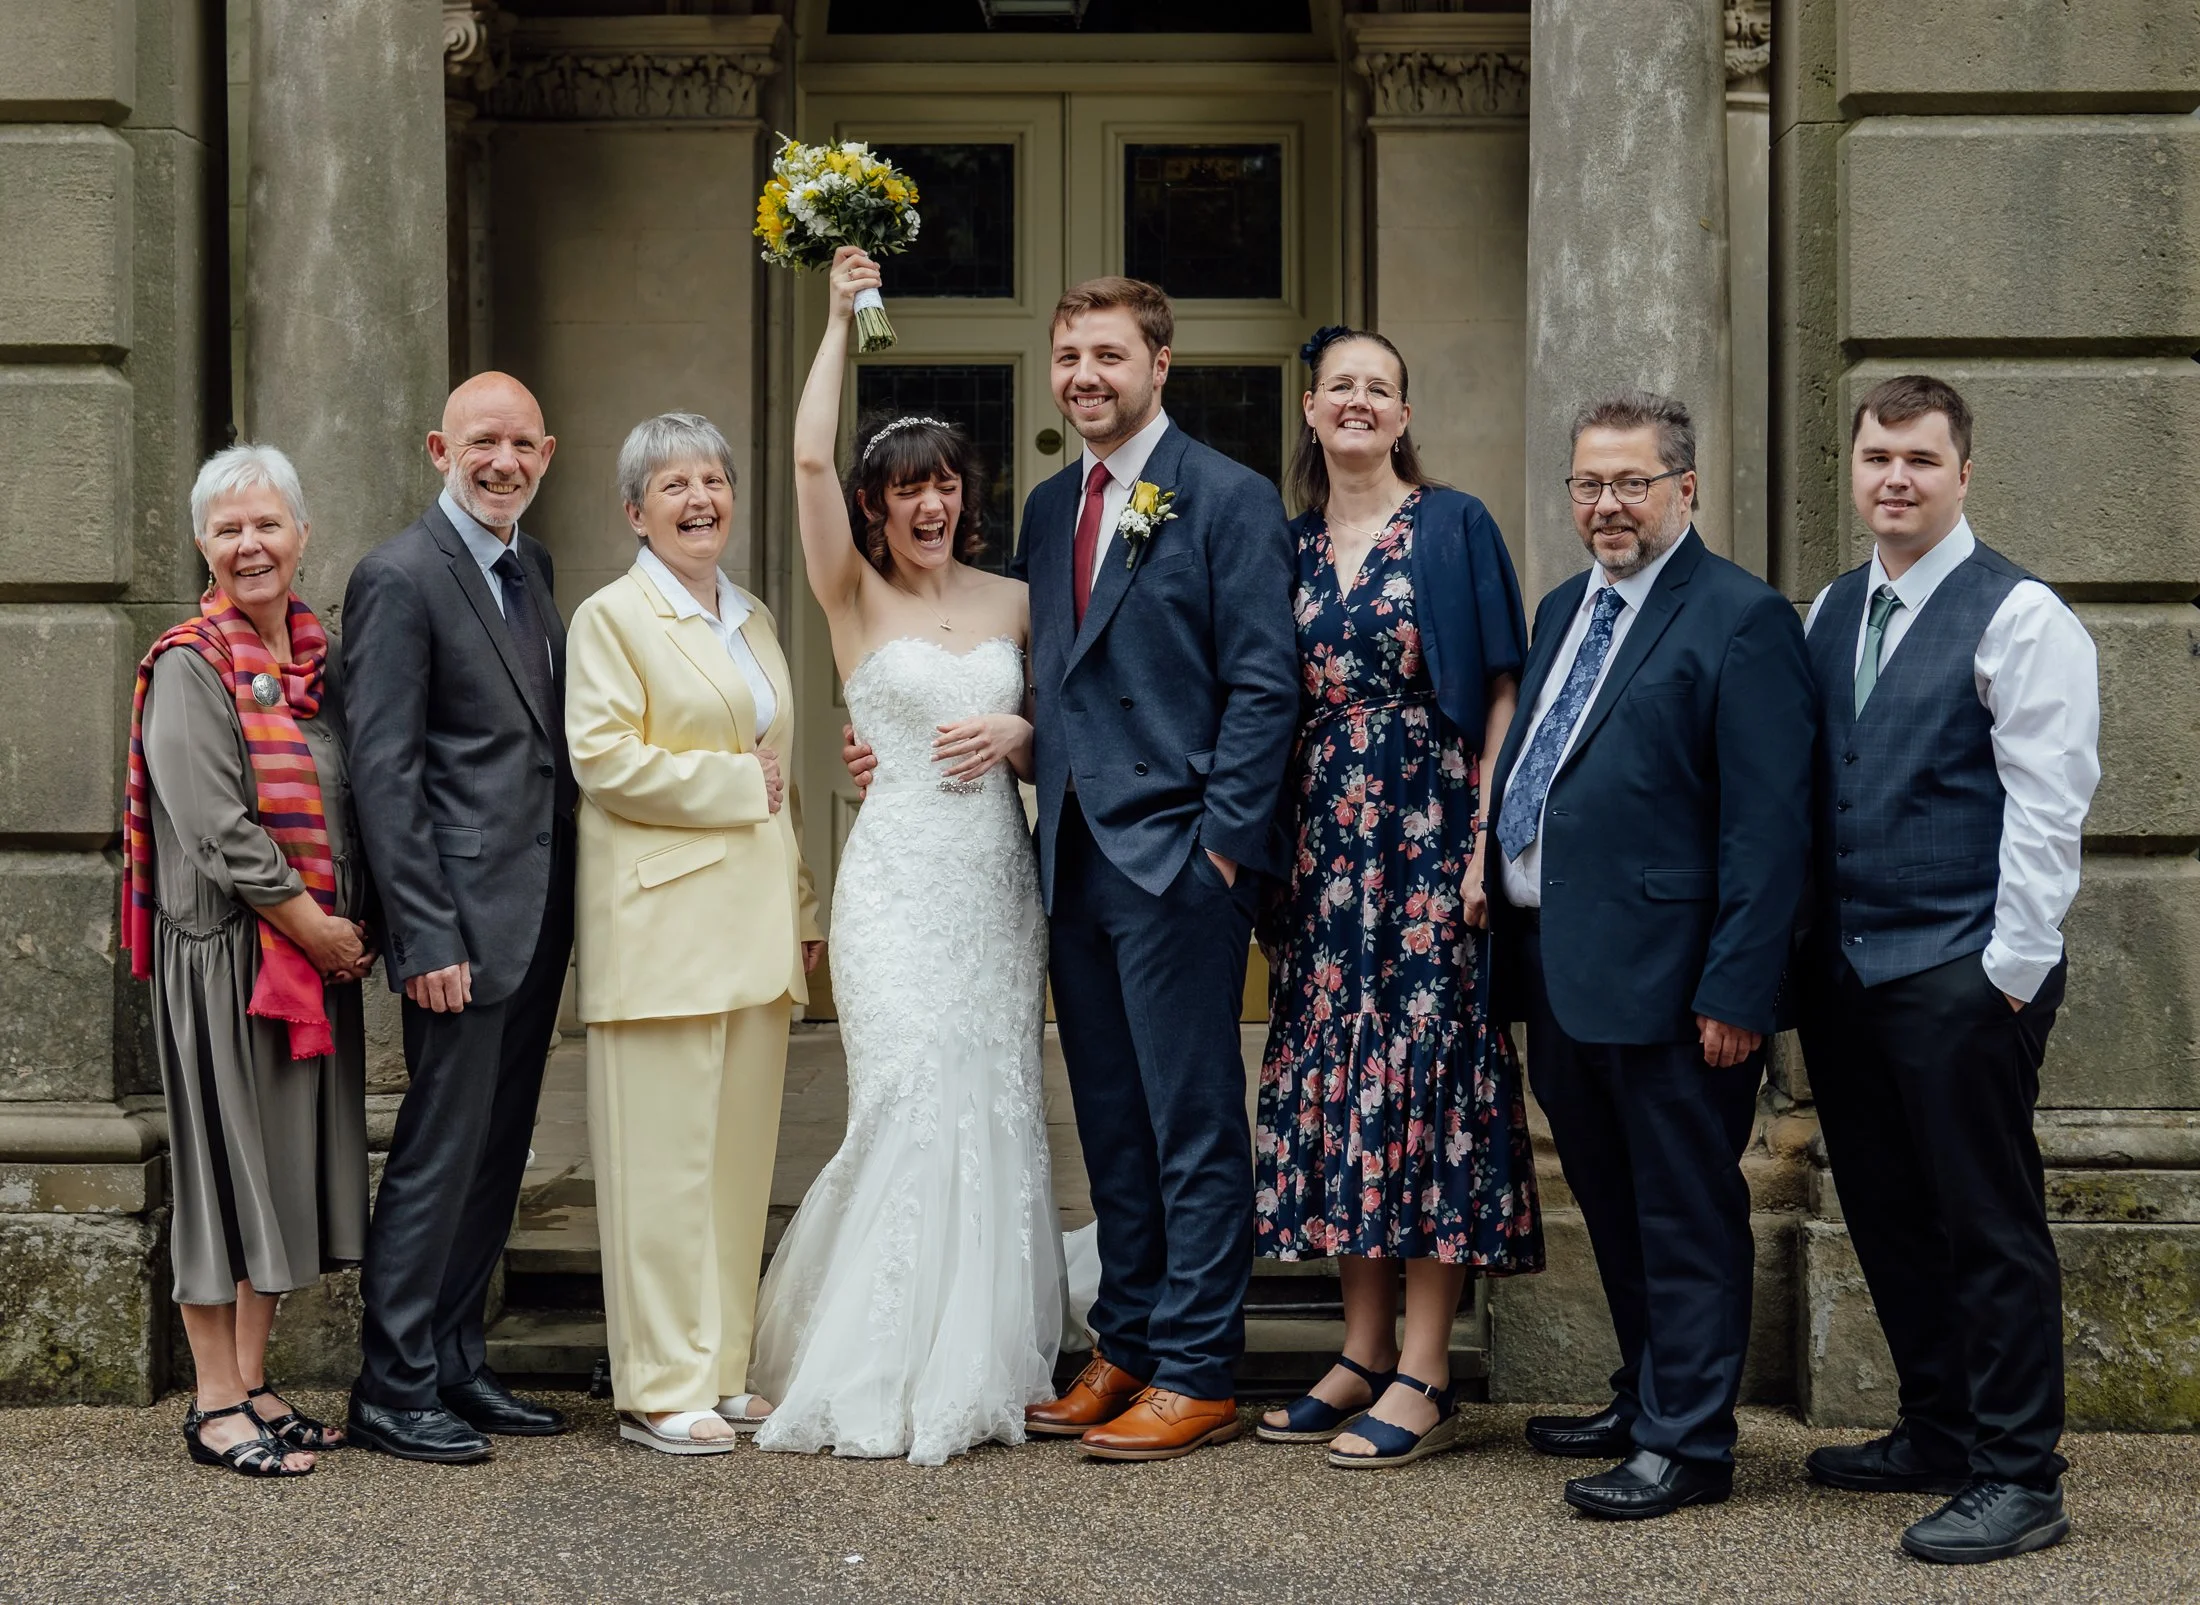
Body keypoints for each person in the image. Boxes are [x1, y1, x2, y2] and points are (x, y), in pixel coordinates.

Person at [749, 245, 1062, 1466]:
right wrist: (837, 314)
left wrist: (1026, 730)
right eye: (905, 491)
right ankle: (875, 1356)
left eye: (944, 488)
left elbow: (1073, 739)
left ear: (963, 498)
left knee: (994, 1105)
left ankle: (981, 1354)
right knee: (906, 1103)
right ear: (876, 508)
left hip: (994, 891)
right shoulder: (850, 598)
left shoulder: (1018, 604)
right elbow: (806, 455)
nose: (928, 505)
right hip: (895, 894)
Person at [1484, 390, 1814, 1518]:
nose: (1607, 504)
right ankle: (1643, 1395)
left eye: (1631, 482)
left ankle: (1688, 1445)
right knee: (1616, 1206)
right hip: (1560, 967)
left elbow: (1768, 829)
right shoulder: (1563, 607)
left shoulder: (1741, 618)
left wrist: (1738, 988)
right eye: (1589, 483)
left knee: (1683, 1210)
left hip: (1678, 986)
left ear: (1685, 488)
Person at [1797, 375, 2098, 1565]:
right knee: (1886, 1210)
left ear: (1961, 473)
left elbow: (2047, 806)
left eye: (1920, 460)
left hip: (1964, 969)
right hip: (1849, 976)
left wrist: (2006, 973)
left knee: (1987, 1224)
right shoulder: (1829, 607)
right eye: (1877, 458)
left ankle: (2020, 1474)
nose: (1895, 479)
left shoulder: (2022, 615)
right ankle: (1937, 1427)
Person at [1006, 274, 1299, 1461]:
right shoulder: (1043, 507)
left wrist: (1221, 849)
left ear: (1159, 364)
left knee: (1190, 1125)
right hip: (1072, 855)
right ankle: (1123, 1339)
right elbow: (1052, 674)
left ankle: (1197, 1364)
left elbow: (1264, 683)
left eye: (1108, 356)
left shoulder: (1227, 498)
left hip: (1178, 858)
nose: (1085, 376)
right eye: (1069, 355)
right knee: (1113, 1124)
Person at [1253, 326, 1543, 1468]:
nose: (1360, 403)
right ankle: (1359, 1349)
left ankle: (1426, 1364)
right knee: (1342, 1085)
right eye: (1341, 388)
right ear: (1314, 412)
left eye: (1381, 387)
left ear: (1403, 413)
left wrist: (1485, 844)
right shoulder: (1284, 547)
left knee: (1426, 1083)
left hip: (1427, 837)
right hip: (1325, 850)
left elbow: (1504, 691)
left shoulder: (1455, 525)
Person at [564, 412, 821, 1455]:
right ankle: (657, 1385)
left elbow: (784, 778)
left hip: (753, 927)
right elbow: (601, 758)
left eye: (712, 477)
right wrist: (730, 783)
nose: (700, 497)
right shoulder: (609, 618)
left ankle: (719, 1370)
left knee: (730, 1168)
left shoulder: (751, 615)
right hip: (661, 926)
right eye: (675, 484)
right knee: (661, 1172)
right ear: (636, 510)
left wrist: (801, 904)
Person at [122, 445, 372, 1479]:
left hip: (302, 956)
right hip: (228, 953)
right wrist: (314, 924)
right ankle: (214, 1404)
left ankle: (257, 1381)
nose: (250, 544)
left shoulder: (318, 664)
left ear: (302, 535)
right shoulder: (189, 663)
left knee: (276, 1174)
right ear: (201, 544)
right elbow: (216, 828)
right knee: (224, 1175)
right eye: (228, 529)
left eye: (266, 524)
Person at [341, 372, 576, 1463]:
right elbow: (383, 774)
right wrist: (423, 936)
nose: (502, 463)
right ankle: (391, 1385)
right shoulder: (397, 576)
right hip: (456, 932)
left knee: (496, 1151)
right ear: (439, 447)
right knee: (438, 1152)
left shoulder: (533, 571)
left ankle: (454, 1361)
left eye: (521, 445)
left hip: (531, 921)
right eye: (482, 442)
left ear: (547, 454)